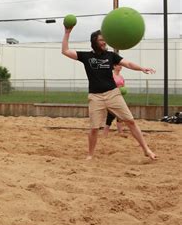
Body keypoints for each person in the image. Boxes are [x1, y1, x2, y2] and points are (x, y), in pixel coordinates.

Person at [61, 27, 157, 160]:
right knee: (94, 128)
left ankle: (146, 149)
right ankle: (90, 154)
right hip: (95, 97)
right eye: (101, 39)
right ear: (94, 42)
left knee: (130, 121)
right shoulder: (86, 56)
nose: (104, 42)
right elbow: (65, 51)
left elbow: (127, 63)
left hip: (113, 93)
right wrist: (67, 33)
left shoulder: (111, 55)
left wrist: (141, 68)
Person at [103, 64, 125, 136]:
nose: (120, 66)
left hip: (119, 97)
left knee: (120, 114)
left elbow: (123, 86)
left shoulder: (121, 77)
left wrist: (123, 90)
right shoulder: (111, 75)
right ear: (114, 66)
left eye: (121, 65)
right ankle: (105, 132)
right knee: (111, 115)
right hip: (111, 96)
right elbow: (107, 85)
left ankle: (120, 131)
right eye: (119, 65)